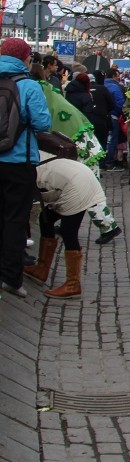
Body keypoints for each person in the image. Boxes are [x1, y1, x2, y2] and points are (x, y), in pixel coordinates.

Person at [0, 38, 51, 299]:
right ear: (25, 59)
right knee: (14, 219)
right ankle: (11, 278)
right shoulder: (28, 85)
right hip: (19, 161)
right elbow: (43, 123)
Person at [24, 152, 107, 299]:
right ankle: (41, 269)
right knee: (46, 220)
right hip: (74, 177)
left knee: (69, 232)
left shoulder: (25, 172)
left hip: (76, 185)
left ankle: (73, 285)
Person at [103, 67, 126, 169]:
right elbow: (120, 103)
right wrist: (117, 113)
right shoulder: (116, 87)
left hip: (102, 116)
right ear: (114, 76)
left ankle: (102, 162)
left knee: (104, 140)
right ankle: (110, 162)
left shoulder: (102, 84)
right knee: (112, 140)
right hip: (113, 116)